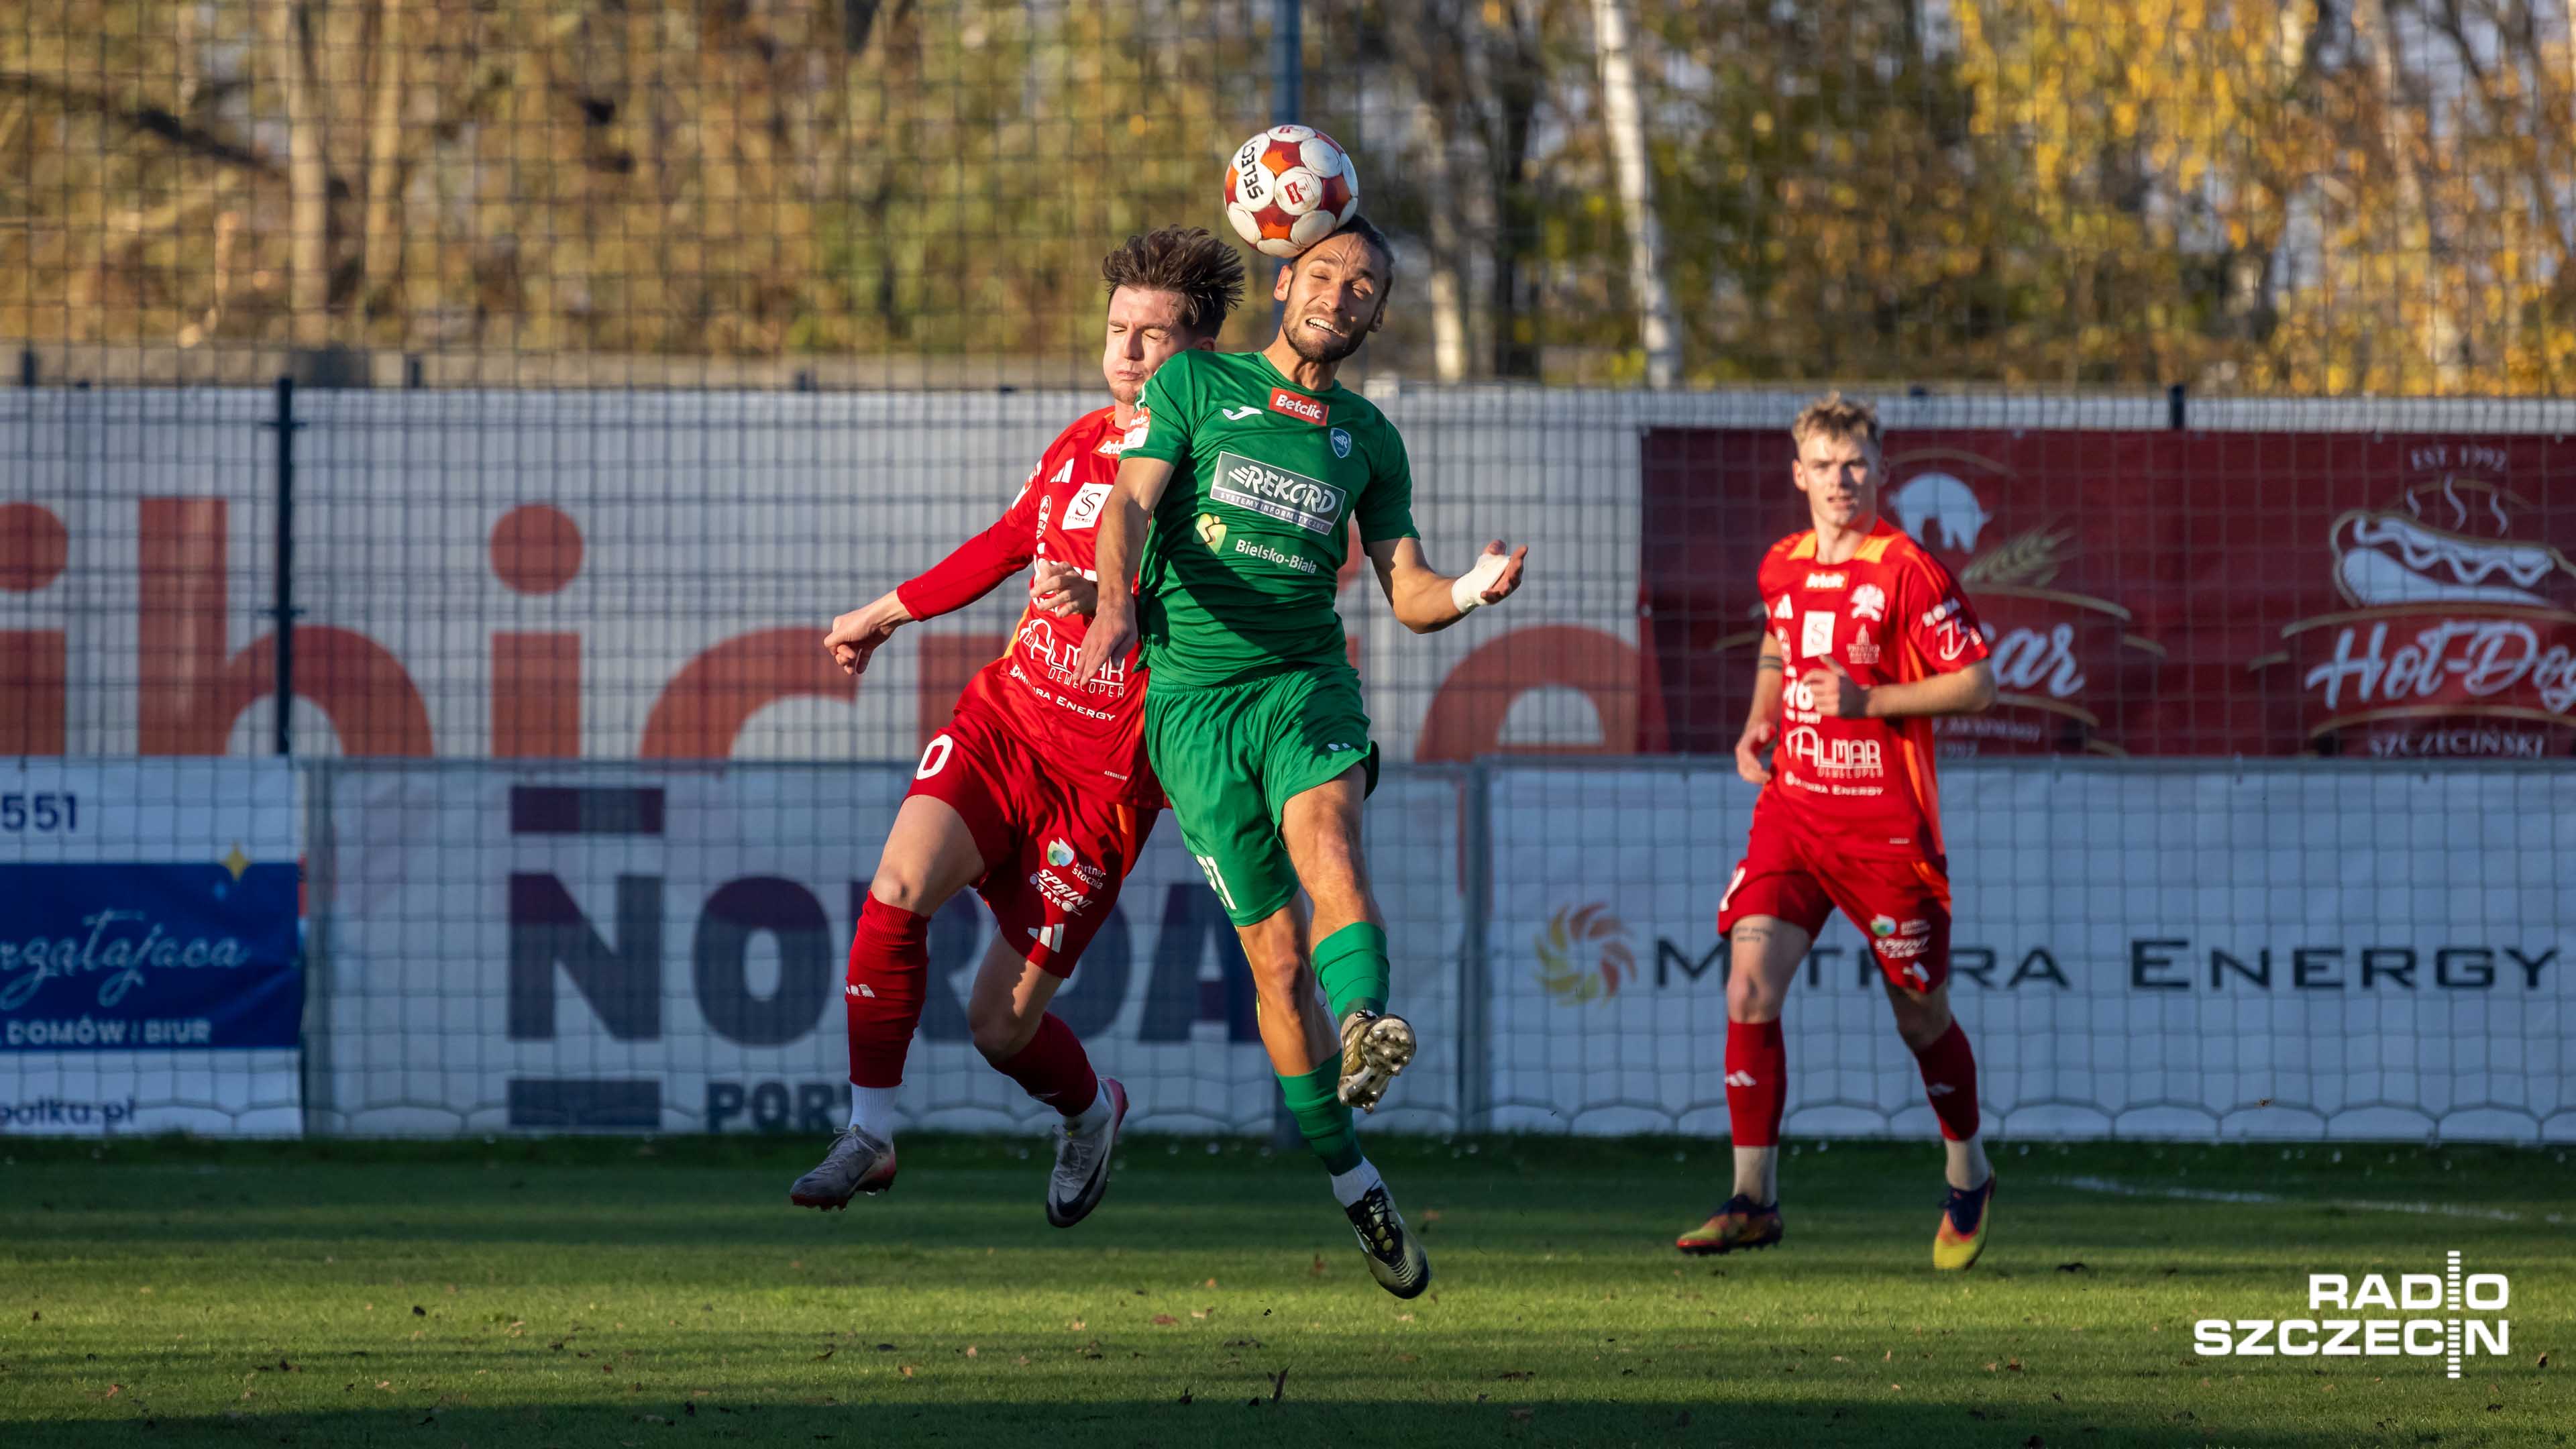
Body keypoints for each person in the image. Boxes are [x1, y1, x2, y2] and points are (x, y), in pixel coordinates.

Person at [1070, 215, 1527, 1298]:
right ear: (1285, 283)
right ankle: (1353, 1179)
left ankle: (1366, 1023)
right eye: (1325, 273)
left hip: (1304, 686)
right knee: (1276, 964)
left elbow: (1409, 593)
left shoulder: (1369, 438)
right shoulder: (1196, 385)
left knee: (1331, 840)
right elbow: (1128, 504)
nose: (1341, 295)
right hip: (1193, 711)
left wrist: (1469, 589)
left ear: (1378, 314)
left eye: (1365, 286)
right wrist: (1116, 605)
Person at [788, 227, 1246, 1226]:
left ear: (1201, 352)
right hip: (1008, 725)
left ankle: (1090, 1113)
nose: (1129, 352)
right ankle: (869, 1133)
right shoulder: (1080, 442)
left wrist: (1118, 600)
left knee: (998, 1027)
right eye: (1118, 329)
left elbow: (1234, 615)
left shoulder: (1224, 472)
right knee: (896, 891)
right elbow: (1007, 541)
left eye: (1154, 336)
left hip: (1106, 780)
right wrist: (886, 612)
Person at [1677, 392, 2002, 1270]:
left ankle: (1969, 1171)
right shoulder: (1781, 564)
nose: (1840, 479)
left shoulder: (1908, 569)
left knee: (1919, 1013)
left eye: (1855, 463)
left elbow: (1978, 683)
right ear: (1799, 474)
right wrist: (1760, 718)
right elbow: (1778, 646)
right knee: (1748, 987)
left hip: (1885, 829)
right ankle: (1753, 1200)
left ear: (1880, 470)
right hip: (1793, 813)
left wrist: (1870, 701)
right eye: (1823, 465)